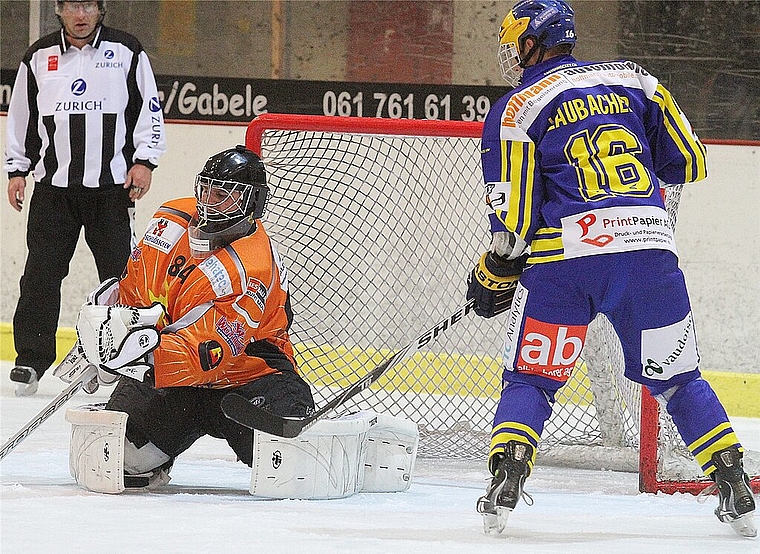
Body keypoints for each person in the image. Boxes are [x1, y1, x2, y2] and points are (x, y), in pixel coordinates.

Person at [466, 0, 756, 538]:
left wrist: (496, 268)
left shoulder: (516, 108)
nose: (511, 52)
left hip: (564, 267)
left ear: (534, 42)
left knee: (532, 376)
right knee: (679, 380)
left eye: (516, 42)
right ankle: (733, 478)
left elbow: (514, 217)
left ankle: (507, 474)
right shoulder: (637, 81)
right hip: (648, 258)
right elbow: (689, 161)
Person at [73, 145, 315, 489]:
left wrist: (135, 358)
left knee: (293, 465)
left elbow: (207, 354)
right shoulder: (169, 221)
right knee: (115, 458)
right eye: (207, 189)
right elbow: (139, 290)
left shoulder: (251, 268)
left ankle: (354, 445)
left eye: (226, 195)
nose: (210, 201)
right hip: (180, 385)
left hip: (250, 379)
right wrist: (108, 329)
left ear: (252, 205)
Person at [4, 0, 166, 396]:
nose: (81, 14)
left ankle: (128, 357)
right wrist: (17, 169)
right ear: (58, 9)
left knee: (122, 278)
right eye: (72, 5)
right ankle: (30, 360)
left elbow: (149, 109)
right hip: (53, 190)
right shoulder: (38, 56)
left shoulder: (128, 50)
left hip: (111, 190)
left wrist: (144, 161)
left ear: (101, 9)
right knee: (41, 275)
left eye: (88, 5)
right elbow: (21, 115)